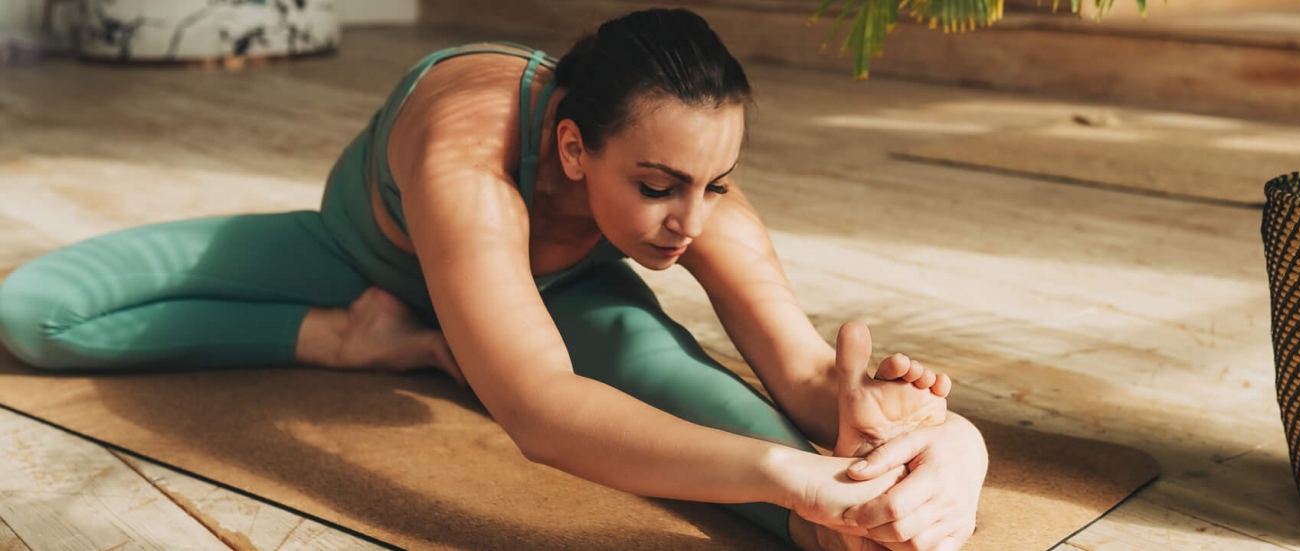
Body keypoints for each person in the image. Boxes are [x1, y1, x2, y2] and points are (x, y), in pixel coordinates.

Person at [0, 7, 989, 551]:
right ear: (570, 146)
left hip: (562, 303)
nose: (691, 219)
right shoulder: (464, 166)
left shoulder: (697, 208)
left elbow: (810, 372)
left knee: (718, 410)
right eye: (655, 186)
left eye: (715, 181)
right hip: (360, 260)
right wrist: (790, 469)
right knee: (31, 314)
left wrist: (889, 436)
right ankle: (356, 337)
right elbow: (543, 412)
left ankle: (838, 535)